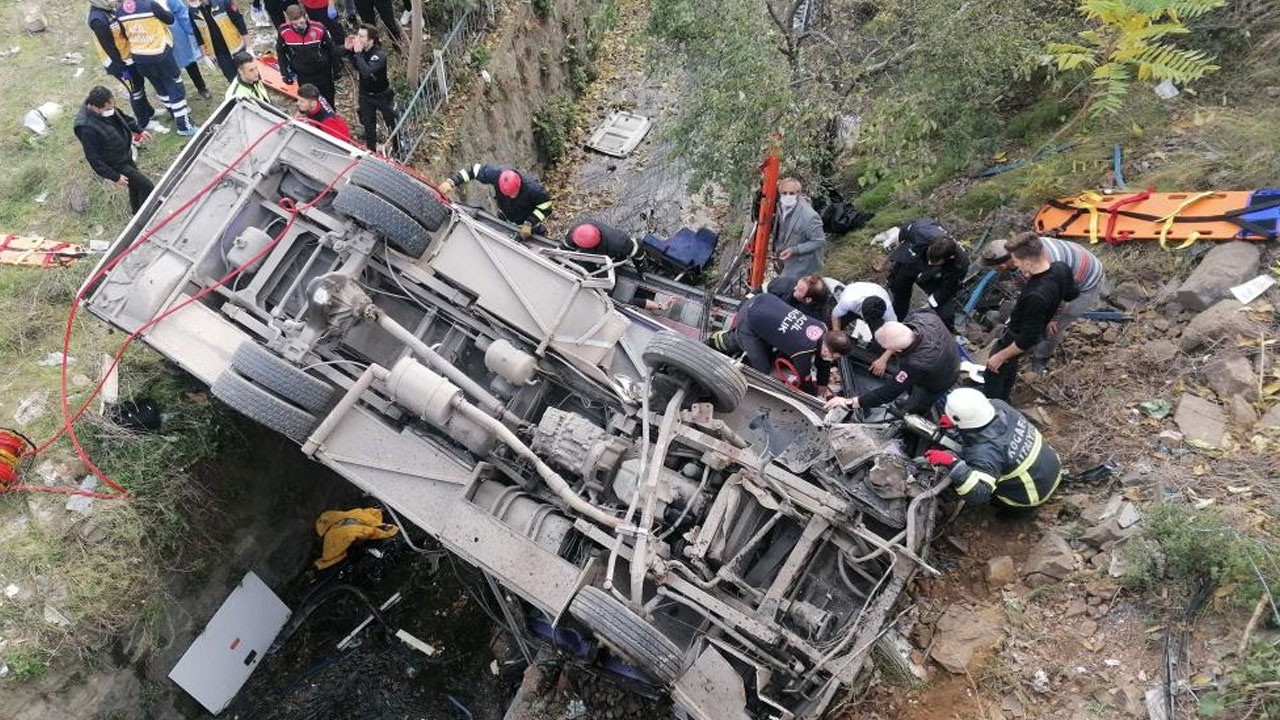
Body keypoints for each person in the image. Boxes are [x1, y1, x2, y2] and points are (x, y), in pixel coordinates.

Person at [979, 235, 1107, 375]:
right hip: (1065, 278)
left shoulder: (1051, 268)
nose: (996, 270)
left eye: (995, 267)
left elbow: (1062, 296)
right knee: (1037, 317)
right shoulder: (1024, 250)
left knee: (1053, 327)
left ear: (1003, 265)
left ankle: (1041, 358)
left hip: (1086, 281)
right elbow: (1025, 286)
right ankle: (1026, 346)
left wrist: (1054, 318)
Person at [923, 387, 1063, 512]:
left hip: (1033, 494)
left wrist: (953, 464)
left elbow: (979, 494)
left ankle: (1012, 513)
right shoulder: (998, 405)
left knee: (994, 502)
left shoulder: (984, 452)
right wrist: (956, 423)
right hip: (1051, 467)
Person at [983, 233, 1078, 401]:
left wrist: (999, 356)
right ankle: (1004, 399)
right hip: (1035, 325)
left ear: (1027, 262)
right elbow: (1072, 293)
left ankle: (993, 408)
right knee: (1009, 366)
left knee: (994, 371)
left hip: (1016, 335)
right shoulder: (1060, 267)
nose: (1015, 265)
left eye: (1016, 261)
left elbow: (1026, 339)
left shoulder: (1036, 295)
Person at [707, 293, 852, 397]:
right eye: (834, 356)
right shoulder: (803, 351)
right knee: (762, 371)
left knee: (770, 346)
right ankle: (717, 340)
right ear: (827, 349)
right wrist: (816, 395)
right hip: (750, 318)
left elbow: (823, 360)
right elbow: (805, 380)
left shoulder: (822, 328)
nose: (832, 359)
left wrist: (822, 382)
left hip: (763, 299)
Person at [823, 311, 958, 415]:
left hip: (941, 379)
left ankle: (913, 417)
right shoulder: (923, 318)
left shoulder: (916, 364)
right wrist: (884, 358)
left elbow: (888, 393)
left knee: (914, 407)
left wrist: (849, 402)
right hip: (948, 352)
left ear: (899, 350)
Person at [116, 0, 199, 135]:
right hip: (159, 53)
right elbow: (170, 19)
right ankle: (184, 125)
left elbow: (124, 34)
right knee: (175, 86)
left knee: (160, 86)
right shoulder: (150, 5)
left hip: (139, 56)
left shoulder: (120, 10)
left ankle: (173, 113)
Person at [75, 86, 155, 213]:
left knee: (135, 186)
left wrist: (139, 130)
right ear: (96, 107)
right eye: (107, 109)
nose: (111, 110)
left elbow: (123, 119)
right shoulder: (86, 127)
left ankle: (137, 215)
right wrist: (115, 176)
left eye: (112, 107)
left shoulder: (107, 108)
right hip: (116, 164)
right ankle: (148, 216)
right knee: (147, 187)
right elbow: (93, 158)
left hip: (124, 154)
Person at [87, 0, 161, 133]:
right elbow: (108, 46)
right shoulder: (97, 19)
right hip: (119, 62)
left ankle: (149, 112)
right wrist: (121, 67)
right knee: (135, 90)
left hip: (128, 55)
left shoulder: (109, 10)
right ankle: (143, 121)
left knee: (139, 84)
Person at [886, 219, 968, 332]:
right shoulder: (921, 230)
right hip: (915, 258)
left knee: (945, 311)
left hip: (937, 275)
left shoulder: (960, 263)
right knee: (899, 286)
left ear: (950, 257)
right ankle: (897, 321)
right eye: (930, 259)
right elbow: (905, 229)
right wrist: (899, 240)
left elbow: (948, 288)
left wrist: (930, 304)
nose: (930, 263)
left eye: (934, 261)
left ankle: (946, 333)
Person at [438, 164, 553, 238]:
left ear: (520, 185)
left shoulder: (534, 189)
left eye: (514, 194)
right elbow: (474, 170)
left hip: (528, 225)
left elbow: (546, 207)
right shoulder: (496, 174)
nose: (511, 196)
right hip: (505, 219)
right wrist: (452, 182)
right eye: (508, 194)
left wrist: (530, 222)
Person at [344, 25, 398, 154]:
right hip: (366, 96)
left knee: (392, 121)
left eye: (361, 36)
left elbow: (366, 72)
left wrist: (357, 54)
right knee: (369, 126)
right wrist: (347, 49)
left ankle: (399, 148)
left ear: (371, 40)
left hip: (382, 95)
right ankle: (371, 152)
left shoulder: (379, 55)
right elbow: (337, 53)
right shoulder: (360, 52)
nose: (358, 39)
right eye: (358, 35)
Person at [277, 3, 341, 107]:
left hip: (322, 71)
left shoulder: (319, 28)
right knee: (309, 103)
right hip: (303, 73)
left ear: (306, 17)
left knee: (328, 102)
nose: (299, 26)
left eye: (301, 22)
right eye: (295, 24)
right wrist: (284, 73)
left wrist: (337, 68)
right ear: (289, 21)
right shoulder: (284, 31)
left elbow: (331, 48)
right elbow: (281, 52)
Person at [772, 177, 826, 279]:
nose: (787, 196)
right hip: (786, 261)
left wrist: (795, 250)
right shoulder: (780, 206)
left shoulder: (809, 216)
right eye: (784, 193)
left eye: (791, 193)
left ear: (799, 193)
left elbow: (819, 241)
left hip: (803, 267)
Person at [186, 0, 249, 82]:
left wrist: (249, 46)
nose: (190, 2)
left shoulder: (223, 2)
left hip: (236, 46)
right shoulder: (193, 11)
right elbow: (197, 32)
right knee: (233, 80)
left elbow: (239, 22)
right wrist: (204, 55)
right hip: (219, 52)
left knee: (248, 74)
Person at [166, 0, 213, 99]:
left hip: (175, 34)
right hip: (157, 38)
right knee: (167, 68)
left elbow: (181, 12)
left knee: (189, 62)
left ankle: (201, 87)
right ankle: (175, 96)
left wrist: (192, 29)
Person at [829, 281, 895, 334]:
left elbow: (895, 332)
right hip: (853, 293)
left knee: (880, 336)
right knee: (832, 324)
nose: (865, 321)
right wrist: (836, 334)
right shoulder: (847, 302)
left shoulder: (888, 313)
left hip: (877, 291)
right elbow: (835, 315)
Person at [563, 220, 641, 263]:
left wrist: (641, 267)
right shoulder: (574, 234)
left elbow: (637, 250)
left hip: (613, 258)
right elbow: (564, 247)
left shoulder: (619, 242)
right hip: (589, 255)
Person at [766, 274, 830, 321]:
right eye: (797, 284)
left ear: (808, 299)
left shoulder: (813, 319)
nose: (794, 288)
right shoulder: (782, 285)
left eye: (799, 290)